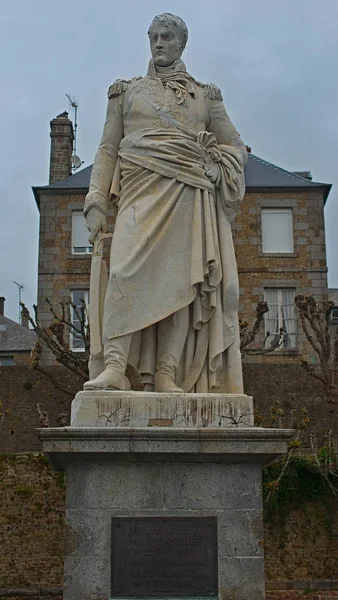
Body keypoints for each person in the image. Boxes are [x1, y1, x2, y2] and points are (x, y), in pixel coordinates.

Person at [84, 13, 247, 394]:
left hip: (188, 196)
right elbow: (107, 149)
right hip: (138, 193)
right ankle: (114, 367)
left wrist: (216, 164)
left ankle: (166, 373)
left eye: (167, 37)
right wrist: (95, 201)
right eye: (153, 37)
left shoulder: (205, 96)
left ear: (181, 44)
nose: (159, 43)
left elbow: (236, 146)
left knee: (180, 285)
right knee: (124, 273)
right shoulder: (126, 92)